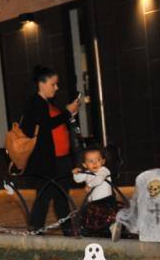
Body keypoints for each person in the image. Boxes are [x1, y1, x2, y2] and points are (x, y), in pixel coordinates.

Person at [19, 66, 82, 234]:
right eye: (53, 84)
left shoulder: (49, 103)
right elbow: (46, 125)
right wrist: (67, 112)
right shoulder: (34, 102)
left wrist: (70, 114)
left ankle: (68, 230)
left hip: (62, 159)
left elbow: (59, 124)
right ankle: (36, 231)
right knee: (44, 198)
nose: (56, 87)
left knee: (62, 197)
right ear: (42, 83)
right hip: (46, 160)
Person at [72, 147, 118, 234]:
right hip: (93, 203)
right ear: (85, 165)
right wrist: (76, 173)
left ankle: (112, 228)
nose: (94, 163)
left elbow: (99, 179)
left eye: (98, 160)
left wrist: (89, 185)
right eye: (90, 161)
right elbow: (78, 180)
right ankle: (95, 233)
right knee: (92, 220)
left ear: (103, 161)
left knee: (104, 219)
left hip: (105, 201)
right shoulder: (87, 172)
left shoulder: (104, 170)